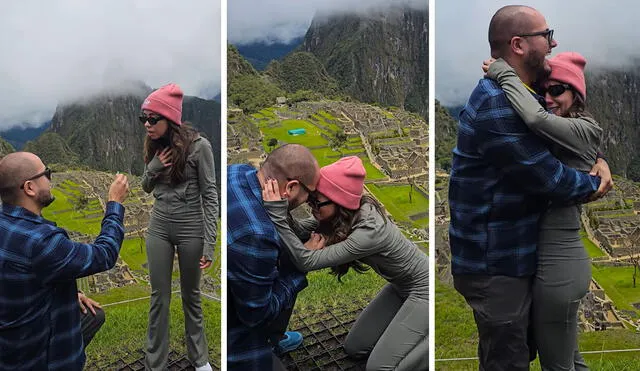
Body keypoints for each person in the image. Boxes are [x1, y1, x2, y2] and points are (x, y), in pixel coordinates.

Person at [447, 5, 611, 370]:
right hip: (495, 265)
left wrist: (595, 156)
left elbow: (563, 126)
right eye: (547, 36)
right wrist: (596, 183)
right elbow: (551, 178)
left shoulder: (521, 90)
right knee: (508, 360)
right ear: (519, 44)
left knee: (558, 352)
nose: (553, 44)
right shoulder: (496, 107)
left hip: (517, 257)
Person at [486, 52, 604, 370]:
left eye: (557, 91)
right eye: (544, 91)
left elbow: (536, 118)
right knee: (570, 361)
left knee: (557, 366)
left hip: (560, 264)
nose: (548, 99)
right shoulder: (568, 129)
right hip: (551, 261)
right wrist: (602, 159)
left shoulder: (583, 129)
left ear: (576, 94)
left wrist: (503, 72)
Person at [262, 156, 428, 371]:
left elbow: (307, 260)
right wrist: (281, 206)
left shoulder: (370, 232)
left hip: (424, 290)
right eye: (310, 200)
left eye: (316, 202)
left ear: (338, 200)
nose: (311, 207)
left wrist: (276, 214)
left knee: (379, 368)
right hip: (399, 287)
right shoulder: (342, 215)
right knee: (355, 348)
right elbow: (298, 232)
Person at [0, 152, 129, 371]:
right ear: (29, 187)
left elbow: (22, 277)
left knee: (93, 316)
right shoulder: (41, 242)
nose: (50, 180)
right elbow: (104, 254)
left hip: (11, 343)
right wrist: (114, 203)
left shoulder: (7, 225)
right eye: (46, 173)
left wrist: (70, 294)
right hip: (35, 355)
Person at [139, 83, 218, 371]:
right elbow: (146, 187)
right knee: (159, 297)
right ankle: (155, 363)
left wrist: (210, 242)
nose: (147, 125)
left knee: (191, 296)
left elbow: (210, 195)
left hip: (190, 228)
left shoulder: (200, 147)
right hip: (159, 226)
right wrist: (154, 167)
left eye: (152, 119)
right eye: (144, 119)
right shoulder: (153, 147)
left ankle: (200, 360)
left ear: (169, 119)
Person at [227, 144, 320, 371]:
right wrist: (302, 264)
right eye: (311, 193)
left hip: (236, 290)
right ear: (291, 187)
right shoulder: (257, 235)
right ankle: (266, 344)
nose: (311, 200)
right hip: (236, 336)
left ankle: (274, 337)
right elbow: (256, 315)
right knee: (289, 271)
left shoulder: (237, 171)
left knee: (283, 259)